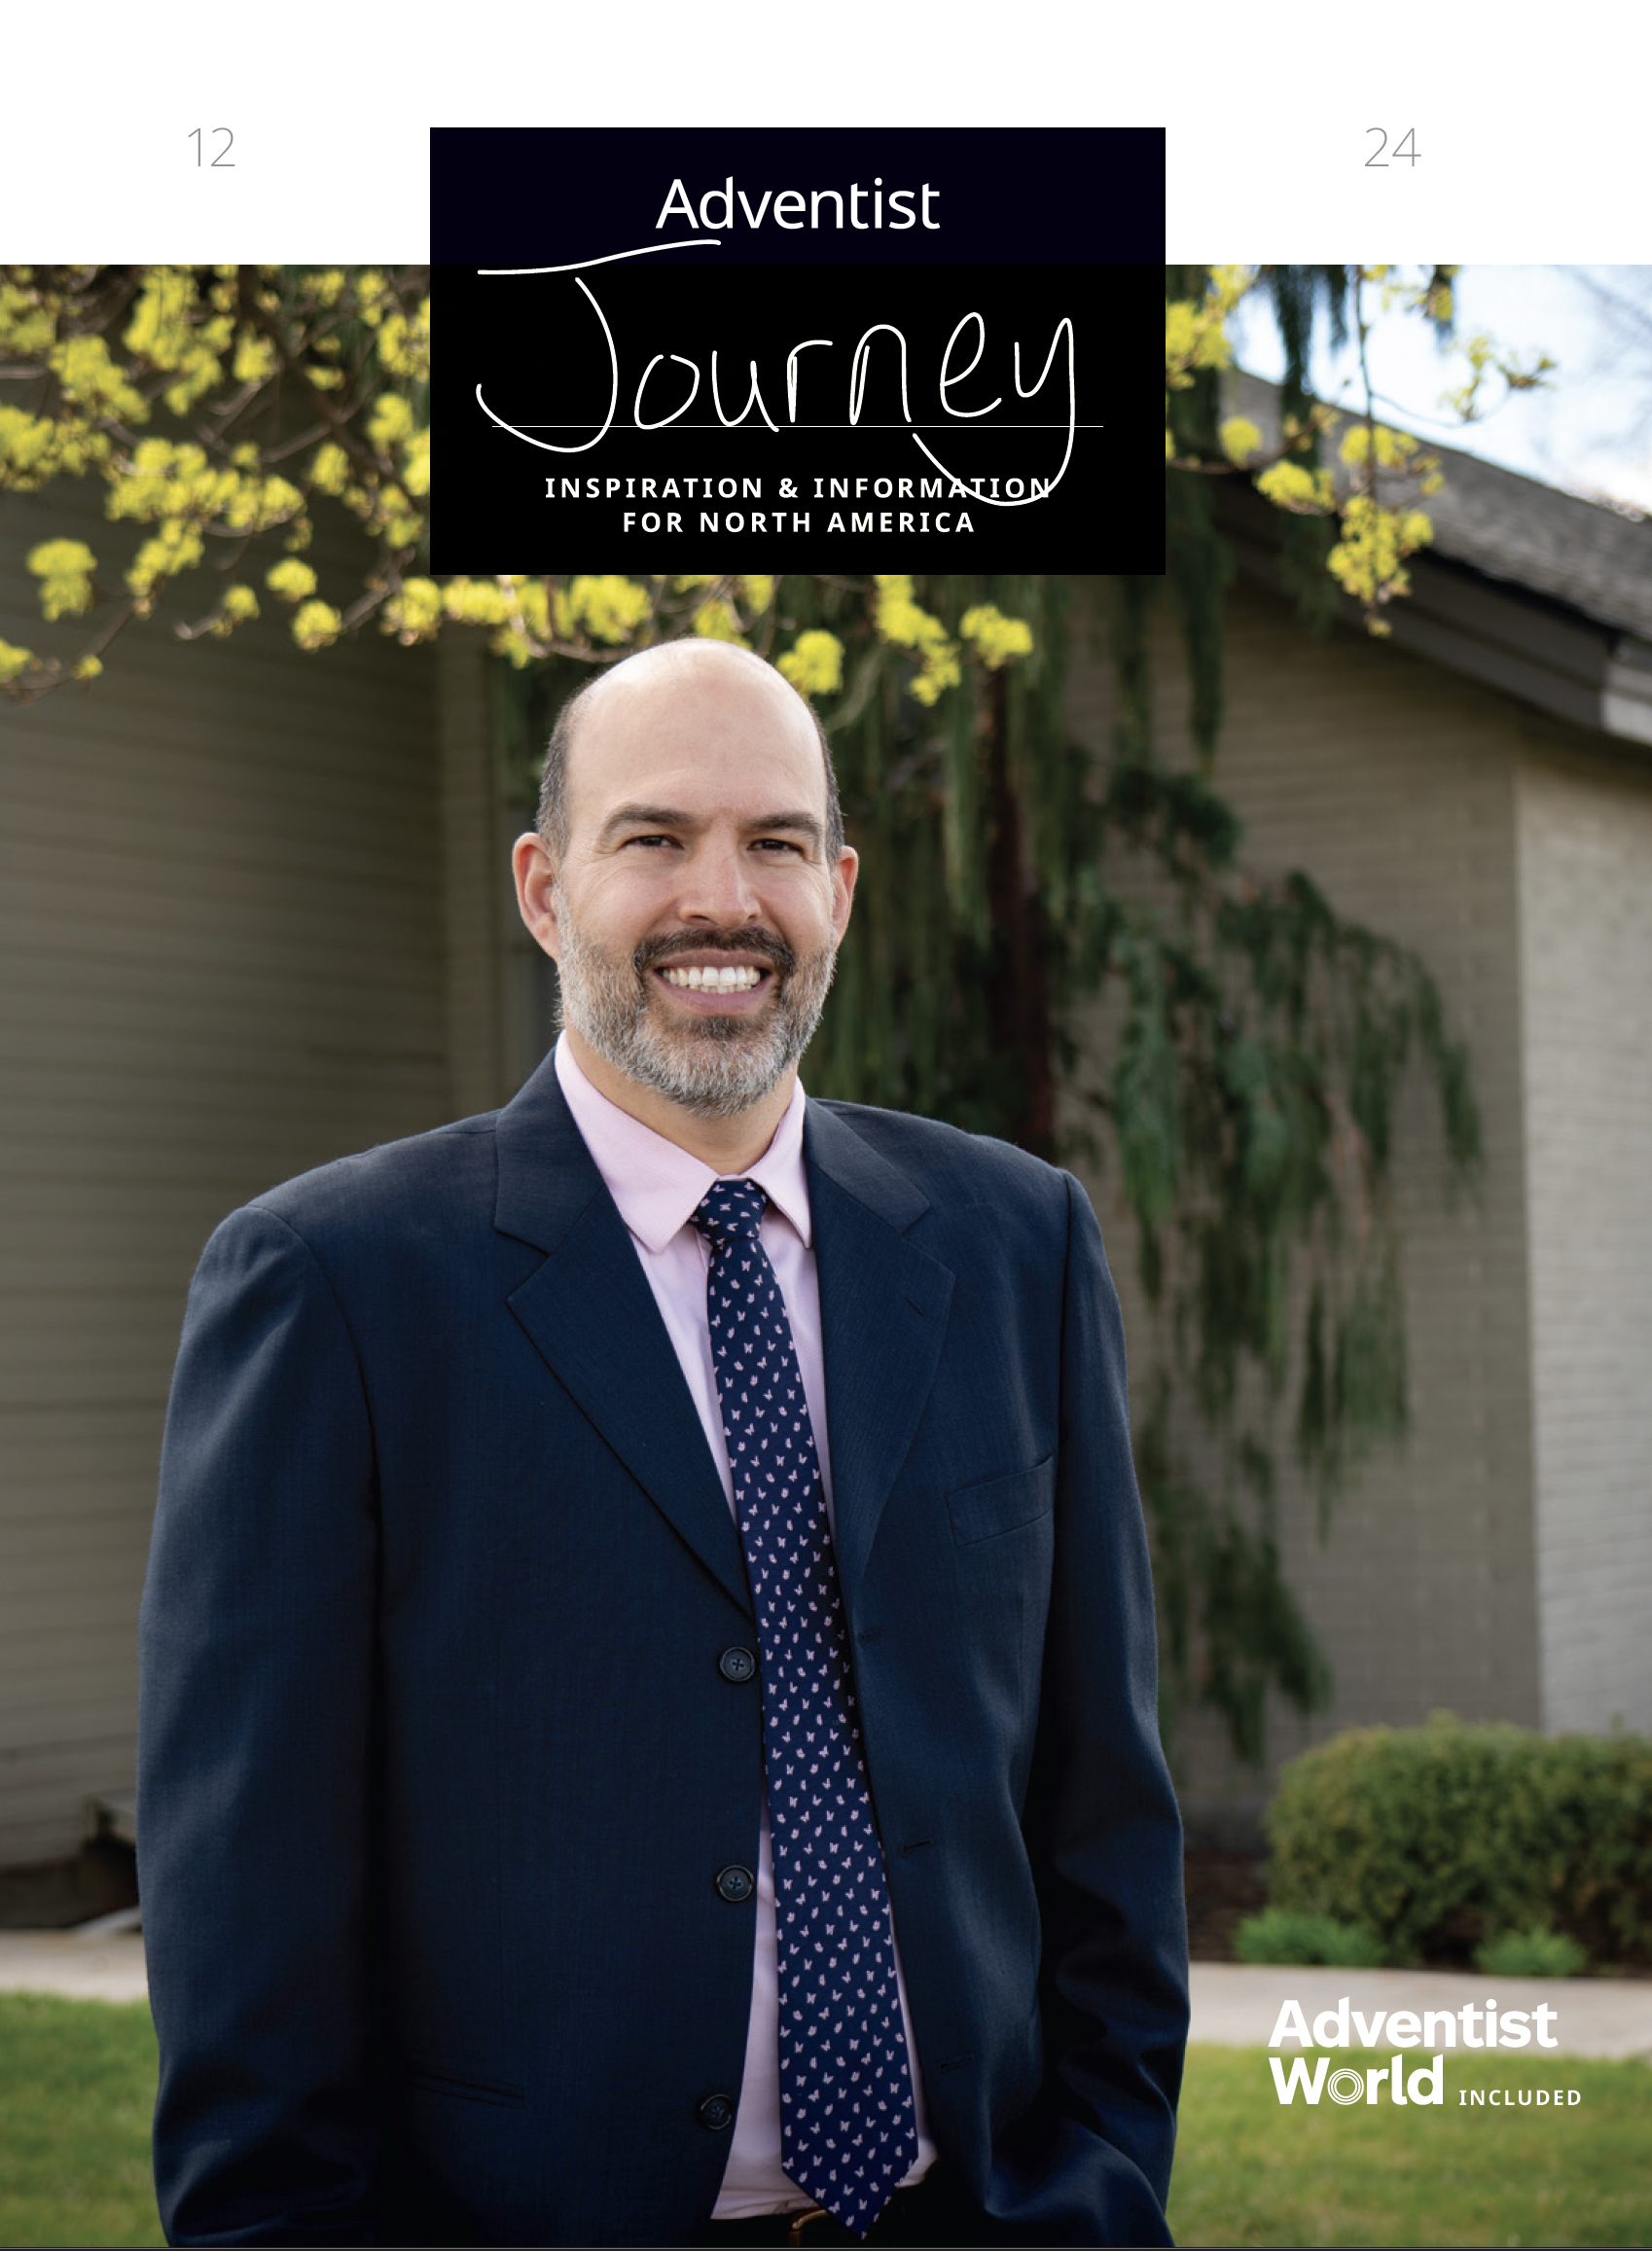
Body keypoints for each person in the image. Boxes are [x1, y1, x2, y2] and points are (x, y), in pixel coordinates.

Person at [138, 636, 1189, 2248]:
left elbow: (1100, 1795)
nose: (725, 900)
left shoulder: (1012, 1244)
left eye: (774, 843)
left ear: (838, 889)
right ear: (545, 890)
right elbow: (246, 1911)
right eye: (653, 838)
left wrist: (1100, 2180)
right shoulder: (333, 1284)